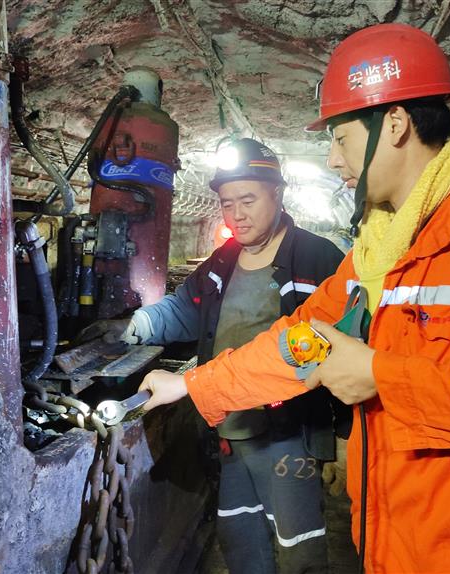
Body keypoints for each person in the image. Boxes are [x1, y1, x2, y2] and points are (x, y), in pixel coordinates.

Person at [138, 23, 450, 573]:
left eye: (341, 138)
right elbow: (297, 341)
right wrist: (193, 384)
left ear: (395, 125)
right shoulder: (373, 256)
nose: (334, 160)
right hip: (389, 541)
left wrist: (382, 375)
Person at [92, 138, 344, 574]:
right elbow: (184, 309)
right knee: (240, 535)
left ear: (277, 194)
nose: (237, 214)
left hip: (289, 435)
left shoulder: (318, 258)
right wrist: (135, 325)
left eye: (248, 200)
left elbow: (343, 350)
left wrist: (341, 438)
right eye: (227, 204)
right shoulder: (223, 261)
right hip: (230, 425)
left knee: (298, 546)